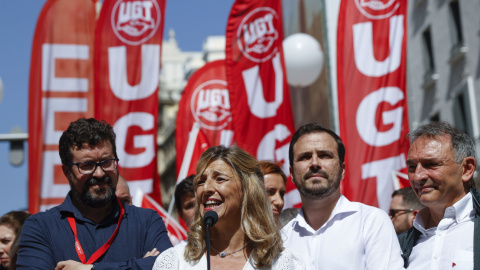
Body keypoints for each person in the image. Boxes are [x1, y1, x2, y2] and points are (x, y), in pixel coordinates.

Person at [17, 118, 173, 270]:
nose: (99, 173)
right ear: (67, 171)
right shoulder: (40, 228)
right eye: (87, 165)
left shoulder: (147, 221)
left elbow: (169, 266)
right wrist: (141, 265)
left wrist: (90, 269)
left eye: (107, 162)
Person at [153, 145, 305, 269]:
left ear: (247, 190)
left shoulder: (283, 263)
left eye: (220, 179)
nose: (206, 188)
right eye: (201, 181)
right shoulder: (174, 262)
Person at [281, 123, 404, 269]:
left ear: (342, 170)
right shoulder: (282, 239)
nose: (314, 163)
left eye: (324, 155)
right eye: (305, 157)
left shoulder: (371, 222)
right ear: (292, 173)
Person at [399, 121, 478, 268]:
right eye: (412, 167)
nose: (418, 176)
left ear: (467, 169)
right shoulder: (400, 245)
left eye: (431, 164)